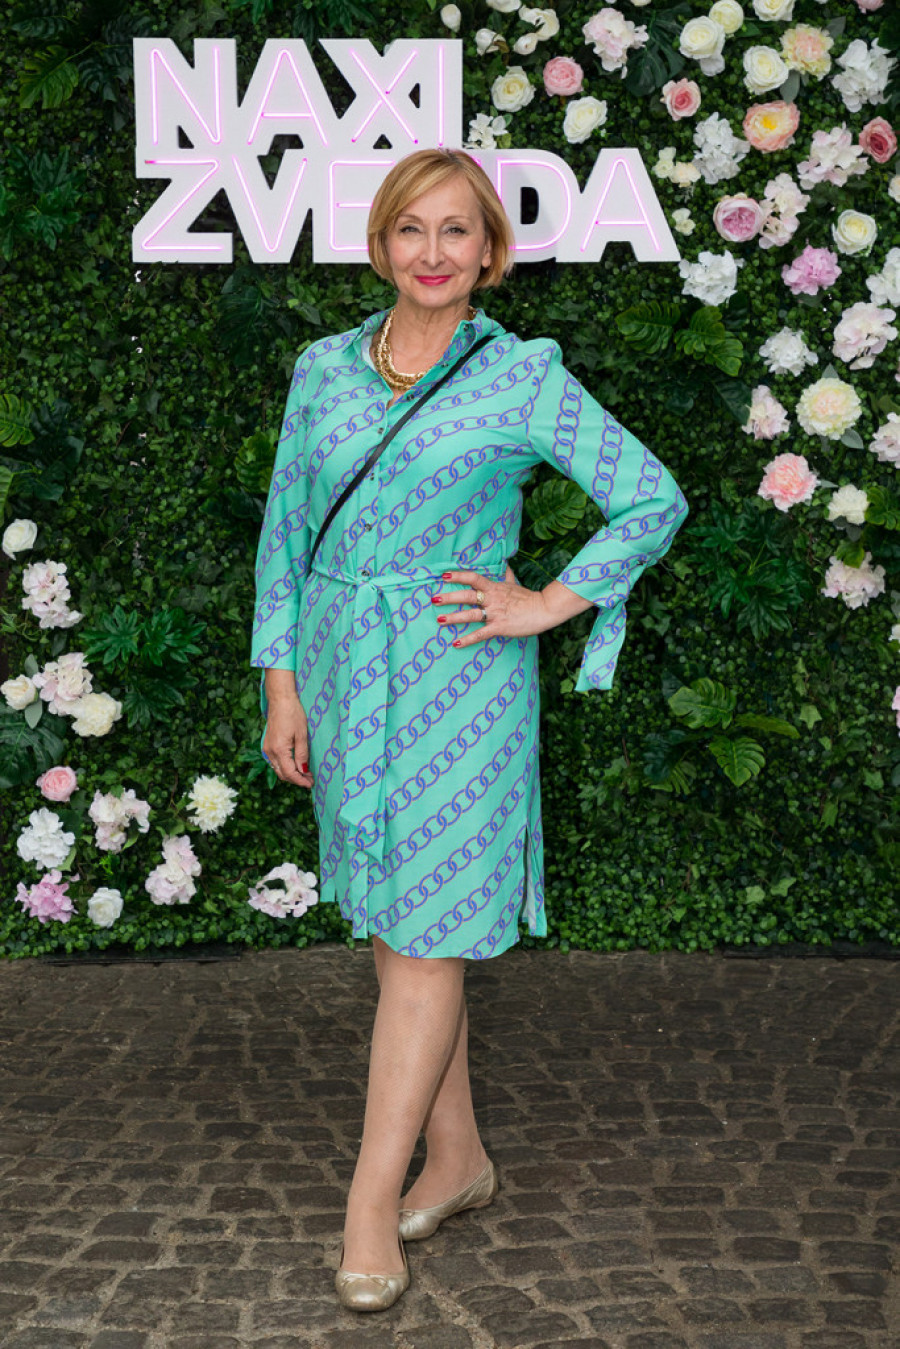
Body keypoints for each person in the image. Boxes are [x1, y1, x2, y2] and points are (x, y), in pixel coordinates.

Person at [250, 148, 689, 1312]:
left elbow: (651, 495)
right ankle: (459, 1157)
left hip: (461, 682)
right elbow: (285, 530)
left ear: (490, 250)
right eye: (412, 229)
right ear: (381, 244)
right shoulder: (323, 370)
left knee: (427, 936)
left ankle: (368, 1199)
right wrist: (282, 684)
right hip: (343, 668)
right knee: (403, 932)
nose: (433, 252)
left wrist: (545, 601)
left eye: (457, 230)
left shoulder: (524, 376)